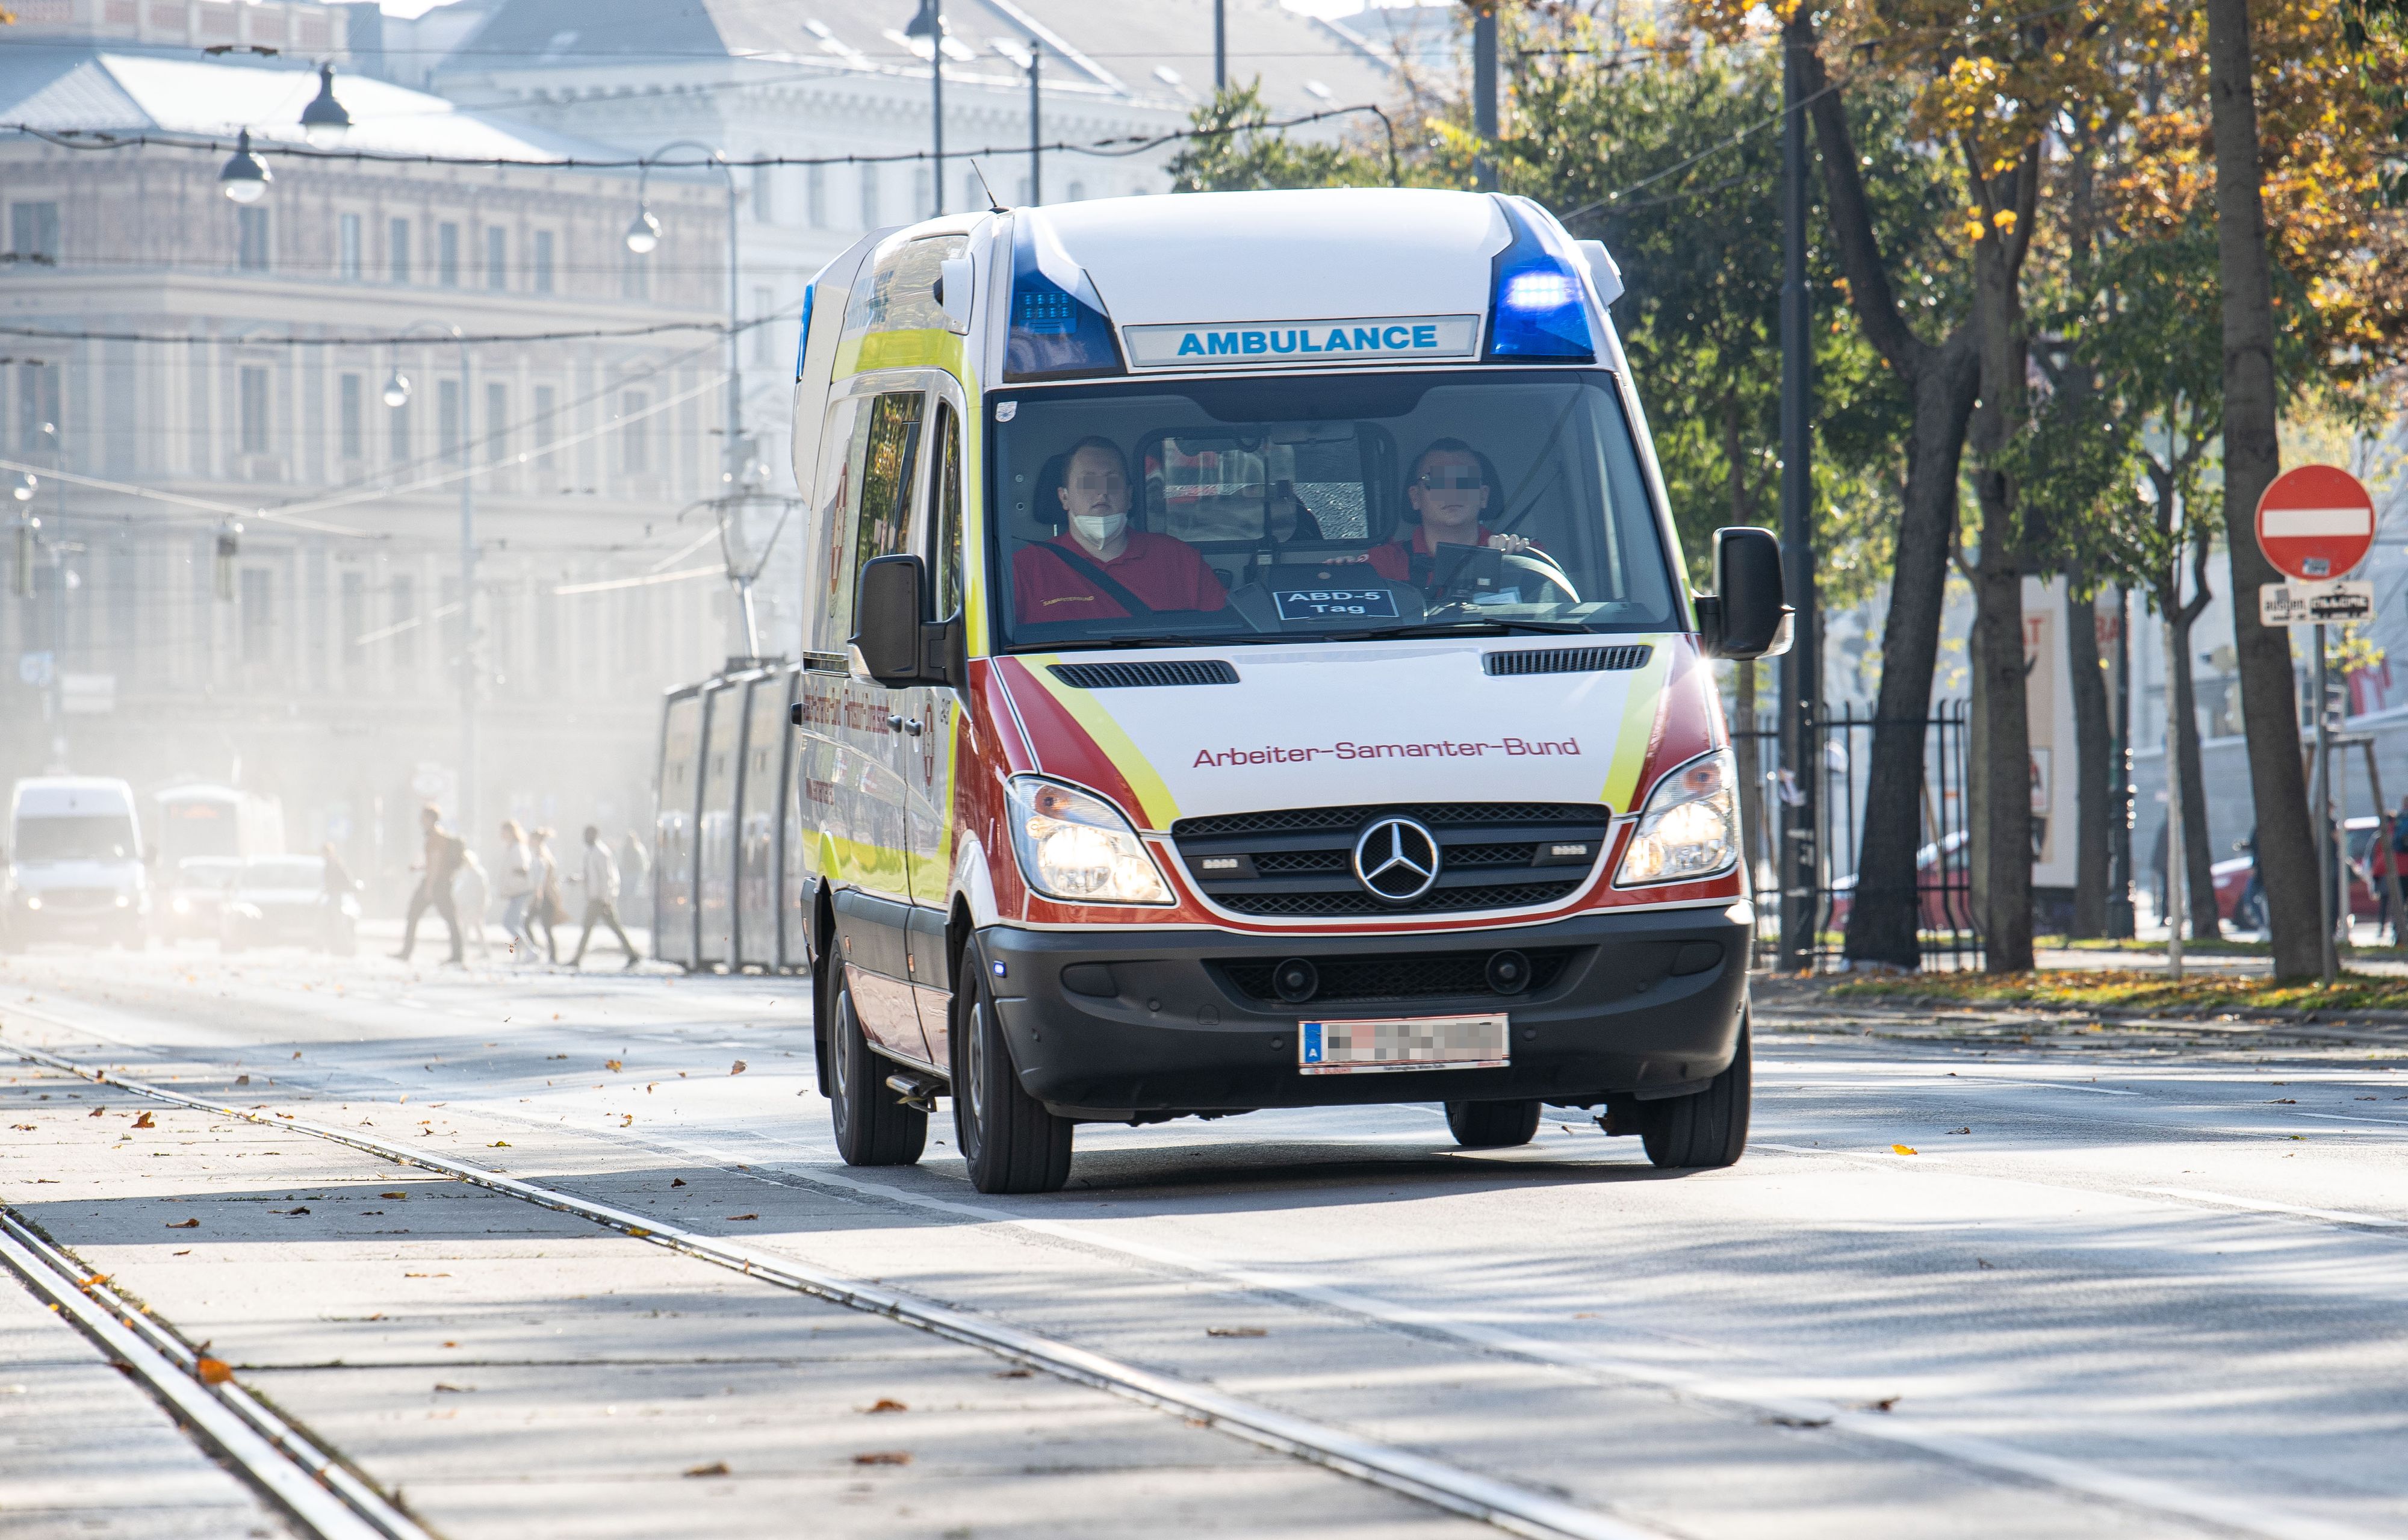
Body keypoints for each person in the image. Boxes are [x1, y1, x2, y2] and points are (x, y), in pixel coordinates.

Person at [1013, 437, 1227, 622]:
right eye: (1088, 483)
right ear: (1065, 497)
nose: (1101, 493)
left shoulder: (1180, 559)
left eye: (1112, 482)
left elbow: (1221, 635)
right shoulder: (1025, 569)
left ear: (1129, 495)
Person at [1365, 439, 1536, 585]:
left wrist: (1511, 562)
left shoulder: (1522, 555)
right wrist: (1345, 572)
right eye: (1437, 480)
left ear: (1483, 496)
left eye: (1464, 480)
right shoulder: (1385, 563)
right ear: (1416, 497)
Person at [393, 804, 464, 964]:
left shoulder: (435, 838)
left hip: (436, 884)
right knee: (450, 918)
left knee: (415, 914)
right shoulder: (441, 836)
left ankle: (407, 952)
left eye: (423, 818)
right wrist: (420, 868)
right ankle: (457, 954)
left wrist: (429, 887)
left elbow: (436, 863)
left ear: (430, 819)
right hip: (442, 882)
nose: (421, 821)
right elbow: (437, 863)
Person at [568, 824, 639, 969]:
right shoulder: (590, 852)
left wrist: (607, 898)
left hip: (600, 900)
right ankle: (632, 954)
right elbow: (590, 876)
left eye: (588, 835)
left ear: (594, 835)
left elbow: (608, 878)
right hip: (595, 898)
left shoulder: (601, 853)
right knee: (613, 927)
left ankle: (577, 958)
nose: (585, 838)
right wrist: (576, 879)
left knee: (590, 927)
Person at [497, 820, 536, 956]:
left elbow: (523, 869)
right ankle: (521, 954)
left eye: (504, 831)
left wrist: (512, 882)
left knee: (508, 922)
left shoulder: (518, 848)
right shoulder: (511, 848)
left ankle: (530, 950)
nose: (502, 834)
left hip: (520, 891)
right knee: (516, 923)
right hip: (515, 891)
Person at [529, 827, 563, 964]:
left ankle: (544, 954)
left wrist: (538, 894)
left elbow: (543, 877)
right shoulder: (539, 853)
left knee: (543, 925)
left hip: (545, 896)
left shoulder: (542, 854)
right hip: (543, 895)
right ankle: (542, 953)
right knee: (542, 925)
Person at [619, 828, 651, 927]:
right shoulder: (625, 849)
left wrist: (643, 878)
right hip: (627, 876)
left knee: (637, 900)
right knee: (627, 900)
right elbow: (621, 863)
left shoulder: (639, 850)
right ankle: (628, 919)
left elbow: (644, 865)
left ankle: (638, 920)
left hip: (637, 877)